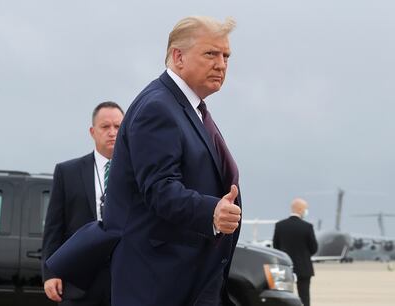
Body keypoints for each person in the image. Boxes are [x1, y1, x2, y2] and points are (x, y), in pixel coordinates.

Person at [46, 16, 242, 306]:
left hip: (184, 277)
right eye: (211, 54)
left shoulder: (188, 107)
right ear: (178, 56)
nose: (221, 64)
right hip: (160, 282)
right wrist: (210, 211)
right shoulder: (158, 108)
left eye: (226, 56)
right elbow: (159, 189)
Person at [42, 101, 124, 306]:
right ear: (92, 131)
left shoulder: (140, 173)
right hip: (79, 282)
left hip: (126, 279)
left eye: (118, 127)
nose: (112, 132)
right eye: (105, 127)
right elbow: (54, 227)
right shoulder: (67, 172)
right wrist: (50, 273)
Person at [273, 198, 318, 306]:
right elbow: (314, 248)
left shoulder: (280, 225)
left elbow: (276, 246)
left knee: (282, 297)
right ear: (300, 209)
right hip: (304, 267)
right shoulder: (307, 227)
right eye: (306, 209)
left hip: (283, 267)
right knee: (304, 296)